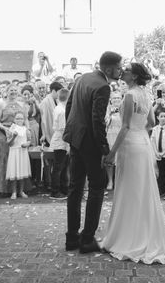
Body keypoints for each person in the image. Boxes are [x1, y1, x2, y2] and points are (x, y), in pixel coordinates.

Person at [99, 61, 165, 264]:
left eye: (126, 71)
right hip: (143, 144)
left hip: (130, 145)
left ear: (134, 76)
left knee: (130, 190)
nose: (123, 72)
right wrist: (139, 128)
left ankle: (129, 238)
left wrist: (111, 154)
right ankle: (144, 234)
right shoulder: (146, 95)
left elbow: (125, 126)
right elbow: (152, 124)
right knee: (142, 190)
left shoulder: (129, 95)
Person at [62, 50, 123, 254]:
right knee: (98, 186)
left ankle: (71, 238)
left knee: (75, 187)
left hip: (75, 138)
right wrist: (105, 149)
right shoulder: (103, 86)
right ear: (108, 68)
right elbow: (97, 121)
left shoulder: (84, 78)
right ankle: (87, 239)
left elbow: (69, 106)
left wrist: (72, 130)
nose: (121, 70)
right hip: (90, 143)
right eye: (118, 67)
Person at [0, 84, 28, 195]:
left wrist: (27, 130)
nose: (13, 92)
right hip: (4, 133)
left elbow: (26, 119)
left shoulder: (22, 103)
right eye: (11, 90)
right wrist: (5, 128)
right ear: (6, 91)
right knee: (4, 160)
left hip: (19, 134)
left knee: (19, 161)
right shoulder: (1, 103)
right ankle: (5, 189)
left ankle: (20, 189)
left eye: (15, 90)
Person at [49, 88, 70, 199]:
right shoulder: (61, 111)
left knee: (63, 166)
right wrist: (68, 145)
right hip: (61, 141)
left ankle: (64, 188)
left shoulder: (60, 108)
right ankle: (55, 191)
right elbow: (63, 129)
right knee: (58, 167)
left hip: (61, 140)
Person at [6, 111, 32, 199]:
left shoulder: (26, 129)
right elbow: (9, 143)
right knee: (14, 171)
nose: (19, 120)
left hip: (22, 152)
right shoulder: (11, 129)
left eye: (21, 118)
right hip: (14, 152)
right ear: (14, 119)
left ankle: (21, 191)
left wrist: (27, 144)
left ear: (24, 120)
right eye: (17, 118)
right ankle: (14, 192)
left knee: (22, 171)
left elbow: (29, 140)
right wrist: (14, 136)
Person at [104, 91, 123, 190]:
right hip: (111, 134)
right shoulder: (107, 109)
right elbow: (105, 123)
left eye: (118, 98)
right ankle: (110, 180)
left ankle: (120, 180)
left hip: (121, 134)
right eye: (114, 98)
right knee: (110, 158)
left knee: (121, 158)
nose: (116, 100)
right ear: (111, 100)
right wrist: (110, 114)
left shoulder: (124, 109)